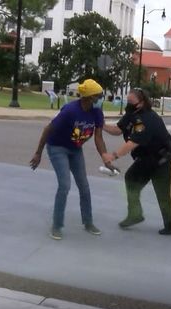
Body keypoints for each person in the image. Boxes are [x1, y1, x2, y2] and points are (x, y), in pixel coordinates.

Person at [30, 79, 110, 240]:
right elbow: (48, 129)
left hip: (75, 150)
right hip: (57, 148)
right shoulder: (70, 111)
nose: (101, 99)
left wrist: (106, 159)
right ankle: (57, 225)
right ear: (88, 97)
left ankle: (88, 222)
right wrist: (38, 153)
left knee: (84, 186)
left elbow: (99, 137)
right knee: (65, 185)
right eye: (98, 96)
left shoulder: (97, 113)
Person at [102, 88, 171, 235]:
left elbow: (133, 143)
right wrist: (102, 125)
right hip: (146, 158)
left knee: (165, 194)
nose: (128, 104)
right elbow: (117, 130)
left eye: (131, 102)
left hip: (165, 159)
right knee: (131, 178)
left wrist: (113, 156)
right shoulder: (131, 115)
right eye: (127, 101)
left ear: (141, 103)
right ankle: (135, 214)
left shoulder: (148, 118)